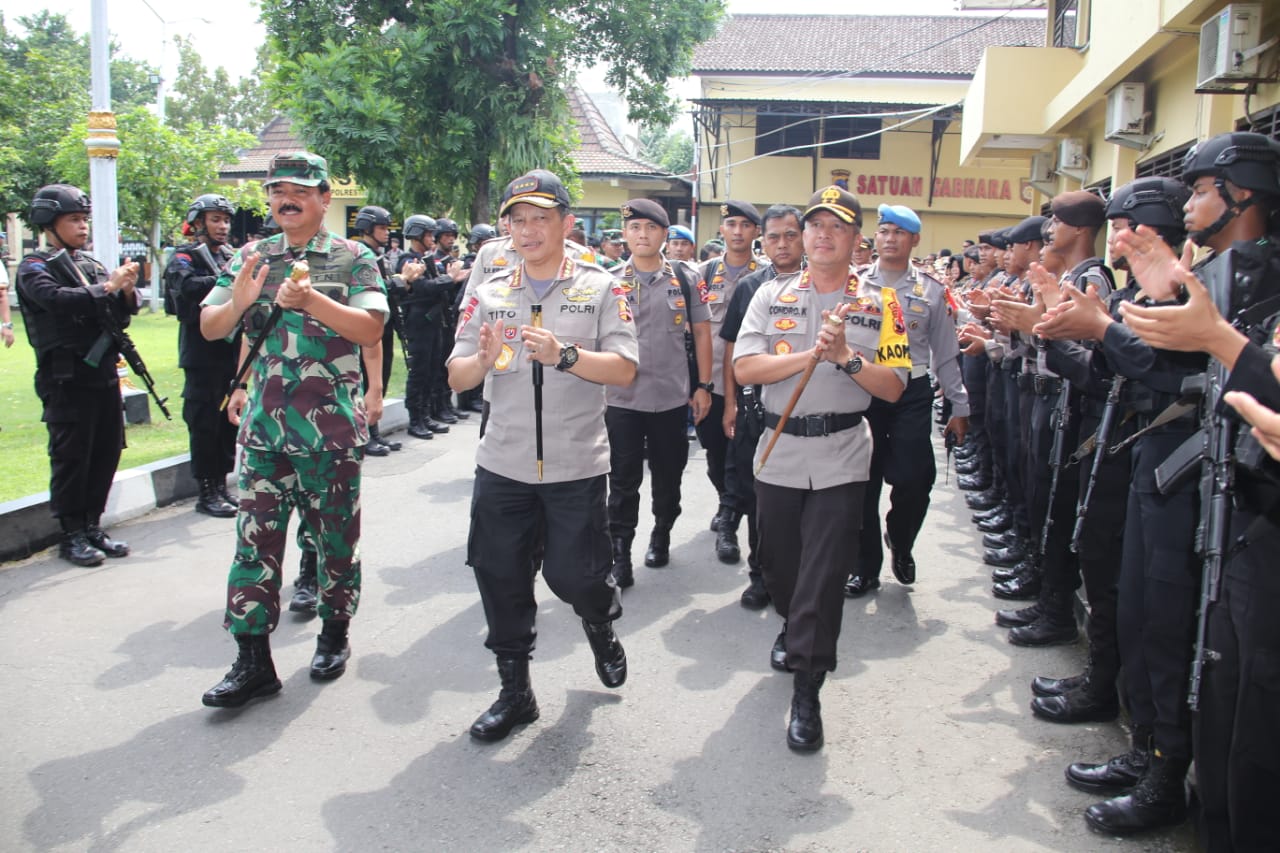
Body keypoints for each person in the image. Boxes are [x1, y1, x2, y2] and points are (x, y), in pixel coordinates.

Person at [1111, 132, 1280, 843]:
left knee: (1246, 717)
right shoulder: (1219, 274)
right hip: (1212, 487)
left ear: (1242, 190)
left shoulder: (1255, 279)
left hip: (1239, 498)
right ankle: (1158, 757)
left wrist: (1106, 327)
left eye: (1203, 189)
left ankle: (1164, 767)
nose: (1191, 204)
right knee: (1199, 670)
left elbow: (1186, 374)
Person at [1030, 176, 1202, 833]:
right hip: (1130, 454)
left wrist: (932, 392)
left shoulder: (1173, 288)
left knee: (1153, 616)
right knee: (1126, 599)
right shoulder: (784, 292)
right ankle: (1136, 737)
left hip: (1161, 463)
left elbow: (905, 363)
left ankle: (1157, 760)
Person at [447, 170, 638, 742]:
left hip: (576, 466)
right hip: (502, 463)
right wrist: (479, 362)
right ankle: (515, 692)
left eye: (541, 217)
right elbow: (456, 374)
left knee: (574, 576)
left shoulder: (603, 288)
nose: (528, 230)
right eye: (518, 219)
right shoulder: (489, 292)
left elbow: (625, 369)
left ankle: (600, 621)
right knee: (499, 576)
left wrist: (565, 355)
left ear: (566, 224)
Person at [198, 151, 389, 708]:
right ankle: (252, 659)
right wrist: (238, 300)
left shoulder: (354, 258)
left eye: (300, 190)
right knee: (253, 544)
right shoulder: (251, 256)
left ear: (325, 198)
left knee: (334, 544)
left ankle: (334, 634)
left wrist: (311, 300)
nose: (286, 198)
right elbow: (212, 327)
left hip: (330, 433)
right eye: (278, 188)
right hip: (263, 432)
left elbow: (370, 327)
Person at [734, 186, 910, 751]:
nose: (822, 235)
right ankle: (792, 622)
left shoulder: (883, 304)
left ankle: (808, 690)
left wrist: (845, 358)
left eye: (836, 226)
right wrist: (805, 356)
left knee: (824, 573)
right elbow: (743, 369)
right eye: (814, 225)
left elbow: (893, 386)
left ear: (856, 239)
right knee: (780, 565)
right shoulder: (770, 295)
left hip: (842, 455)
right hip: (779, 452)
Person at [846, 204, 968, 596]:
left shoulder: (932, 291)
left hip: (911, 393)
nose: (890, 238)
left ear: (915, 240)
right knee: (862, 482)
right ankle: (864, 566)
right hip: (863, 389)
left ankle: (901, 540)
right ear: (875, 238)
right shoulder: (854, 284)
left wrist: (959, 406)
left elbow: (946, 353)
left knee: (915, 478)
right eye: (884, 231)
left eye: (899, 232)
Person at [15, 184, 140, 566]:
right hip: (65, 377)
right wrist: (109, 287)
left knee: (105, 450)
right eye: (74, 219)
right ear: (49, 223)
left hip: (102, 374)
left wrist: (126, 292)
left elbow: (119, 315)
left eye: (85, 219)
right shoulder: (34, 267)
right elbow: (56, 300)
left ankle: (92, 526)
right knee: (72, 455)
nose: (83, 227)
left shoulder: (92, 266)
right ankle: (71, 535)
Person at [605, 199, 712, 588]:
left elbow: (702, 332)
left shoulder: (685, 279)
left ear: (665, 235)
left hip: (670, 399)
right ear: (626, 235)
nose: (643, 235)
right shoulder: (611, 281)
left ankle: (661, 532)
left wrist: (703, 386)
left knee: (669, 478)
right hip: (622, 400)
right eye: (635, 228)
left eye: (651, 228)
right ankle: (620, 553)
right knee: (622, 481)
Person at [719, 204, 805, 608]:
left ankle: (801, 578)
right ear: (763, 241)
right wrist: (730, 403)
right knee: (759, 500)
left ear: (804, 236)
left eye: (791, 235)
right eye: (773, 237)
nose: (782, 244)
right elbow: (732, 350)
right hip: (758, 411)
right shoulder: (751, 287)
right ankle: (761, 576)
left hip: (811, 411)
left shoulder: (825, 285)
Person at [164, 193, 240, 518]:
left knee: (228, 422)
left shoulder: (231, 256)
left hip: (231, 352)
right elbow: (188, 286)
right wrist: (230, 280)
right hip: (201, 353)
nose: (222, 226)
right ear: (198, 223)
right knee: (204, 421)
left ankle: (222, 484)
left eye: (225, 220)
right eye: (215, 219)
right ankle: (206, 490)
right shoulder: (184, 256)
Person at [698, 201, 762, 541]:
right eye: (731, 224)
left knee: (743, 453)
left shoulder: (768, 274)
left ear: (756, 231)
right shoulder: (703, 274)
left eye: (745, 225)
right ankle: (727, 499)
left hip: (750, 381)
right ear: (722, 230)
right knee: (714, 451)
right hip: (712, 381)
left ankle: (731, 510)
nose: (737, 231)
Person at [396, 214, 455, 439]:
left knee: (432, 369)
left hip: (433, 321)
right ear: (417, 234)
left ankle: (426, 414)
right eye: (428, 234)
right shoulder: (408, 260)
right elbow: (422, 288)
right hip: (418, 321)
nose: (432, 238)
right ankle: (415, 419)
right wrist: (449, 279)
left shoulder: (426, 259)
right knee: (419, 371)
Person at [352, 205, 401, 456]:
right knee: (367, 381)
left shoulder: (379, 256)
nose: (386, 233)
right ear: (367, 228)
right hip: (367, 328)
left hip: (385, 327)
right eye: (382, 228)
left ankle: (375, 431)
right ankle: (365, 434)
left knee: (381, 377)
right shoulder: (361, 255)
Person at [431, 218, 469, 424]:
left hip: (449, 318)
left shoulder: (453, 260)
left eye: (453, 236)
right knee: (437, 365)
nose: (451, 240)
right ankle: (438, 407)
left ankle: (446, 404)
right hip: (435, 318)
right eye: (446, 236)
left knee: (448, 362)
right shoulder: (435, 261)